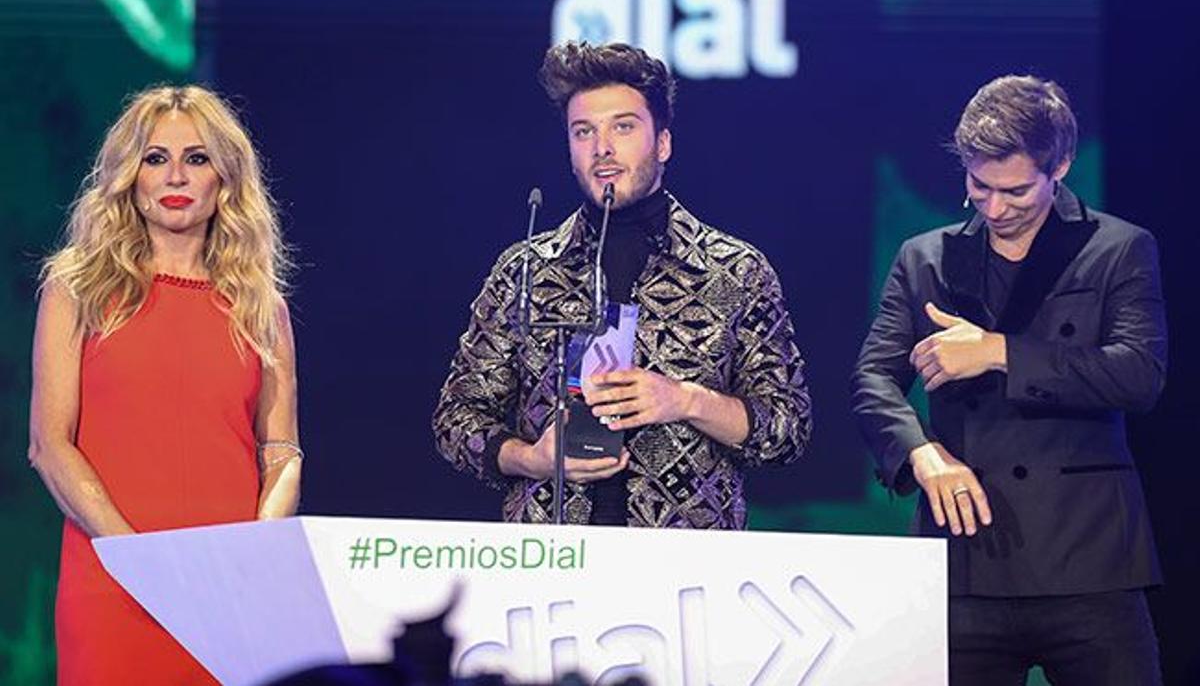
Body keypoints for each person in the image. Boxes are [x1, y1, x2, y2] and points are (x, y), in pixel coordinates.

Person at [852, 75, 1164, 684]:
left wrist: (999, 352)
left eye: (1016, 191)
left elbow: (1139, 375)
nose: (995, 209)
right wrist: (921, 453)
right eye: (979, 187)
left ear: (1061, 165)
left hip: (1090, 564)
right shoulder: (926, 257)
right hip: (967, 564)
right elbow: (872, 380)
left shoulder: (1119, 249)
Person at [433, 42, 811, 528]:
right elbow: (457, 419)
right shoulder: (525, 271)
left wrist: (686, 399)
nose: (603, 148)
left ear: (664, 142)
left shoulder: (733, 271)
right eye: (583, 131)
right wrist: (531, 459)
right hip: (548, 562)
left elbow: (787, 429)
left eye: (624, 127)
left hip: (685, 570)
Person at [28, 86, 302, 685]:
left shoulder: (262, 306)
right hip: (112, 581)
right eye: (155, 158)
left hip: (225, 589)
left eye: (197, 158)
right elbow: (50, 445)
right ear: (129, 175)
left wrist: (256, 550)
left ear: (225, 179)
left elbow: (281, 451)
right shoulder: (77, 289)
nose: (175, 175)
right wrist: (136, 558)